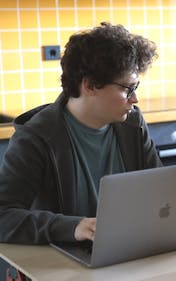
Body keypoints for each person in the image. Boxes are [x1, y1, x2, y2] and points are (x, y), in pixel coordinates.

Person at [0, 22, 162, 244]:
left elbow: (160, 189)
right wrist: (73, 227)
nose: (135, 99)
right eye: (127, 89)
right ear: (90, 86)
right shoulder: (36, 137)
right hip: (65, 263)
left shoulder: (132, 123)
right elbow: (4, 216)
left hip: (129, 248)